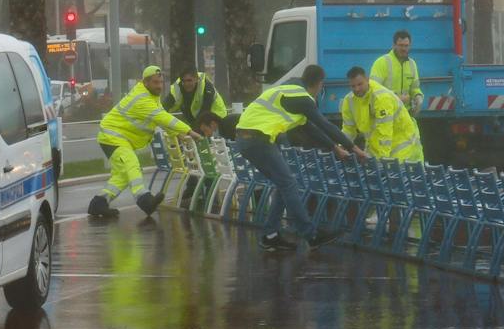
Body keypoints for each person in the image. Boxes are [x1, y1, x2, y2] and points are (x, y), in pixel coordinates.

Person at [235, 64, 368, 251]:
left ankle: (270, 235)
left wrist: (334, 147)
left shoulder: (288, 93)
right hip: (259, 139)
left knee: (283, 184)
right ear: (319, 84)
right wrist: (354, 148)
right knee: (289, 184)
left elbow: (309, 128)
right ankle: (311, 234)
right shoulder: (303, 98)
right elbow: (324, 125)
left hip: (244, 139)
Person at [91, 65, 192, 219]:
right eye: (155, 83)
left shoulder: (152, 98)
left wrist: (177, 133)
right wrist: (189, 131)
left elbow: (161, 117)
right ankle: (144, 199)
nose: (159, 86)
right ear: (145, 82)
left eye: (161, 82)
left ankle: (99, 203)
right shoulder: (142, 99)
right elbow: (162, 118)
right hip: (113, 137)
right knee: (132, 164)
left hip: (117, 138)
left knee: (122, 176)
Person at [340, 66, 424, 163]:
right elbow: (348, 129)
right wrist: (340, 147)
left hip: (401, 145)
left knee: (396, 175)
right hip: (377, 146)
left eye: (360, 84)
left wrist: (382, 160)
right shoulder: (349, 100)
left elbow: (385, 132)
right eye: (353, 86)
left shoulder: (381, 98)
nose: (357, 89)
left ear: (367, 80)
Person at [164, 65, 234, 135]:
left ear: (196, 79)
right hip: (197, 117)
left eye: (189, 80)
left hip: (216, 117)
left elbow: (204, 113)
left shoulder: (206, 88)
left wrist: (191, 132)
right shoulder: (177, 87)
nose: (186, 84)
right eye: (183, 81)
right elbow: (164, 106)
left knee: (207, 139)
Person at [370, 29, 425, 114]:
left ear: (410, 46)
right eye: (400, 45)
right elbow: (373, 90)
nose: (403, 48)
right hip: (386, 114)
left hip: (406, 114)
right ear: (394, 45)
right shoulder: (382, 62)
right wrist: (396, 98)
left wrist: (418, 97)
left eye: (406, 45)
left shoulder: (412, 64)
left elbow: (415, 88)